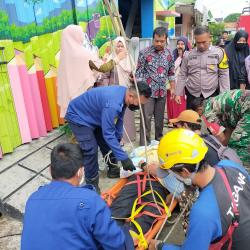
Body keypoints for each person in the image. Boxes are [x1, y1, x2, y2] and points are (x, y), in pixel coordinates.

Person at [148, 129, 250, 250]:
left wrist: (160, 246)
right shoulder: (229, 166)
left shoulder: (203, 212)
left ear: (185, 172)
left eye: (171, 173)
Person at [21, 143, 134, 250]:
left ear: (50, 170)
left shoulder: (32, 199)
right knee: (121, 233)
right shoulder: (89, 200)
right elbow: (116, 245)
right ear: (80, 172)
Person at [65, 82, 151, 192]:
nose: (139, 106)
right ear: (131, 96)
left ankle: (112, 169)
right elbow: (108, 133)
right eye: (139, 103)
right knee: (90, 149)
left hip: (94, 115)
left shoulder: (124, 93)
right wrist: (123, 158)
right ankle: (92, 183)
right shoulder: (113, 104)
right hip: (78, 116)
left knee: (107, 143)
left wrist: (118, 137)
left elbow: (119, 118)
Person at [57, 25, 126, 117]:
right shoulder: (83, 53)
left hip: (71, 97)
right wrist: (118, 58)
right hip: (83, 95)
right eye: (80, 33)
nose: (82, 36)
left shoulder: (63, 58)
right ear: (76, 36)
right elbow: (102, 68)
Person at [90, 36, 136, 143]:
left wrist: (133, 79)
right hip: (115, 92)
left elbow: (133, 73)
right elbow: (105, 76)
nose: (120, 48)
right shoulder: (112, 59)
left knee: (127, 114)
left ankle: (129, 136)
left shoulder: (129, 59)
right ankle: (118, 139)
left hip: (128, 91)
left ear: (125, 47)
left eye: (122, 46)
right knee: (116, 116)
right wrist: (106, 90)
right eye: (118, 46)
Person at [135, 27, 175, 145]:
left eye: (161, 41)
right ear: (153, 39)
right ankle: (144, 145)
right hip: (147, 94)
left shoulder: (169, 54)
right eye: (156, 40)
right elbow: (139, 72)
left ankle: (159, 141)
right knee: (146, 119)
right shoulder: (144, 53)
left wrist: (172, 88)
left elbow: (171, 73)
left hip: (162, 92)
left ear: (166, 40)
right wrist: (141, 90)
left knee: (159, 120)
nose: (158, 43)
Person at [175, 26, 230, 109]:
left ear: (210, 38)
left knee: (210, 119)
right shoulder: (188, 55)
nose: (201, 45)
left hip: (211, 94)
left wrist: (224, 96)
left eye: (204, 42)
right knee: (192, 119)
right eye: (198, 42)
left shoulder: (220, 53)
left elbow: (224, 75)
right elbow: (182, 75)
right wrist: (178, 93)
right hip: (192, 94)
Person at [196, 90, 250, 163]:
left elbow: (221, 136)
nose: (201, 118)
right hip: (246, 105)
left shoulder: (207, 111)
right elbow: (229, 130)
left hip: (247, 106)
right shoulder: (217, 102)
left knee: (238, 144)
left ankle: (241, 171)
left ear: (199, 110)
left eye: (198, 115)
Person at [167, 37, 190, 120]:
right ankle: (171, 120)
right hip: (172, 83)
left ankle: (180, 119)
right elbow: (171, 69)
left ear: (186, 45)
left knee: (181, 103)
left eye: (182, 44)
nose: (180, 46)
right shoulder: (172, 55)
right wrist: (179, 57)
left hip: (183, 84)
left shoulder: (189, 55)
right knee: (171, 102)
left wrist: (183, 57)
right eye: (178, 44)